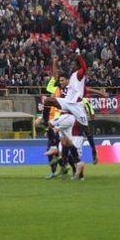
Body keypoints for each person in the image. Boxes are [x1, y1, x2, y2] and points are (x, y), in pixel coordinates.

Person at [43, 50, 89, 180]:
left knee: (49, 125)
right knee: (66, 143)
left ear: (68, 80)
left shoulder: (71, 85)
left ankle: (54, 148)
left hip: (68, 116)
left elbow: (80, 83)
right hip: (66, 116)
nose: (61, 82)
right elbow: (56, 75)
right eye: (60, 81)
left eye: (63, 80)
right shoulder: (58, 88)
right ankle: (78, 167)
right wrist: (55, 63)